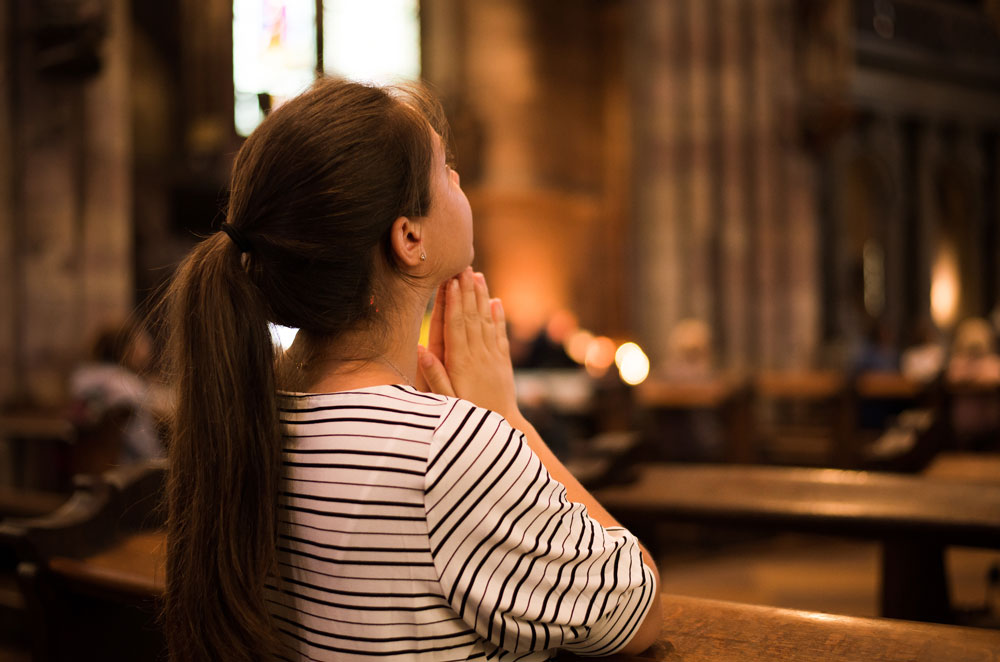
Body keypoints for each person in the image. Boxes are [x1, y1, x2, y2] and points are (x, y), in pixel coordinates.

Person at [162, 78, 661, 662]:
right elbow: (639, 607)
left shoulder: (251, 410)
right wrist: (508, 420)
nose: (457, 178)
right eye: (445, 168)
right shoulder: (446, 451)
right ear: (409, 237)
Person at [69, 318, 169, 463]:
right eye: (141, 341)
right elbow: (145, 449)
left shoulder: (83, 381)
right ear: (126, 348)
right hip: (126, 474)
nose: (148, 347)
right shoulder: (126, 386)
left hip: (87, 467)